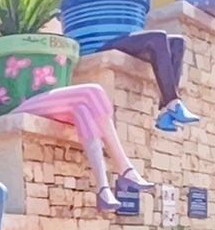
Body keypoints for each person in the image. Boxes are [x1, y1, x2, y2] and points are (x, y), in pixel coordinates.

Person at [13, 83, 154, 210]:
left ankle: (103, 187)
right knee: (94, 91)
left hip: (60, 106)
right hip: (26, 104)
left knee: (83, 112)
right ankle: (124, 169)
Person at [97, 31, 199, 132]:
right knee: (158, 38)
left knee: (177, 42)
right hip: (104, 41)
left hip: (128, 40)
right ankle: (174, 104)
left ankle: (166, 111)